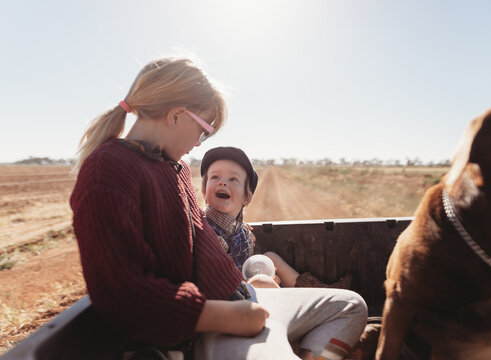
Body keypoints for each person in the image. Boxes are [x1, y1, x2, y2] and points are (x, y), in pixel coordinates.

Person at [70, 56, 367, 360]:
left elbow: (199, 241)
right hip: (199, 328)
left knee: (351, 305)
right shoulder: (107, 172)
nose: (200, 144)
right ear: (175, 116)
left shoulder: (176, 168)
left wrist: (242, 293)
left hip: (239, 299)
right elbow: (124, 295)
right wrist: (233, 317)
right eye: (204, 132)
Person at [201, 146, 353, 289]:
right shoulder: (208, 233)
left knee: (270, 257)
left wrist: (241, 229)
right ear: (204, 192)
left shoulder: (238, 229)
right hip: (228, 294)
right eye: (214, 177)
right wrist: (256, 282)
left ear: (246, 198)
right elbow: (216, 280)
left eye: (233, 179)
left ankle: (316, 290)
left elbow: (233, 232)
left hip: (243, 280)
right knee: (262, 281)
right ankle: (297, 304)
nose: (222, 182)